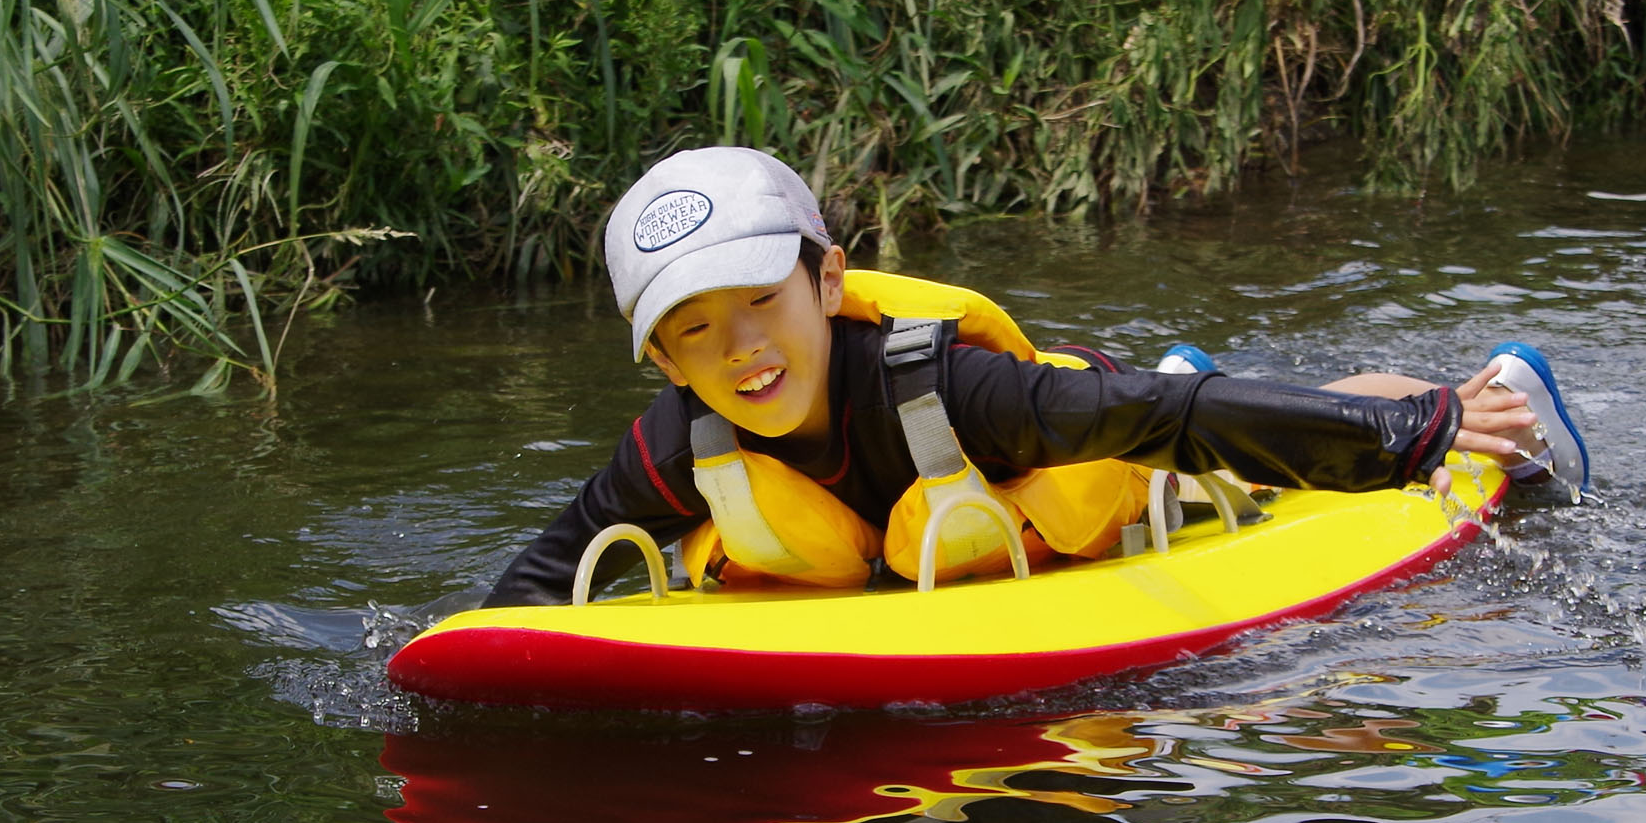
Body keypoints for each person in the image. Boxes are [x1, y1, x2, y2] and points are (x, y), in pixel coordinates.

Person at [485, 147, 1589, 607]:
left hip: (1075, 439)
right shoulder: (684, 441)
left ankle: (1495, 394)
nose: (741, 353)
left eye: (760, 304)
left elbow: (1168, 416)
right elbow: (552, 559)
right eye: (693, 333)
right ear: (663, 363)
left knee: (1207, 464)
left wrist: (1421, 433)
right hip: (917, 533)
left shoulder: (956, 389)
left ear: (828, 281)